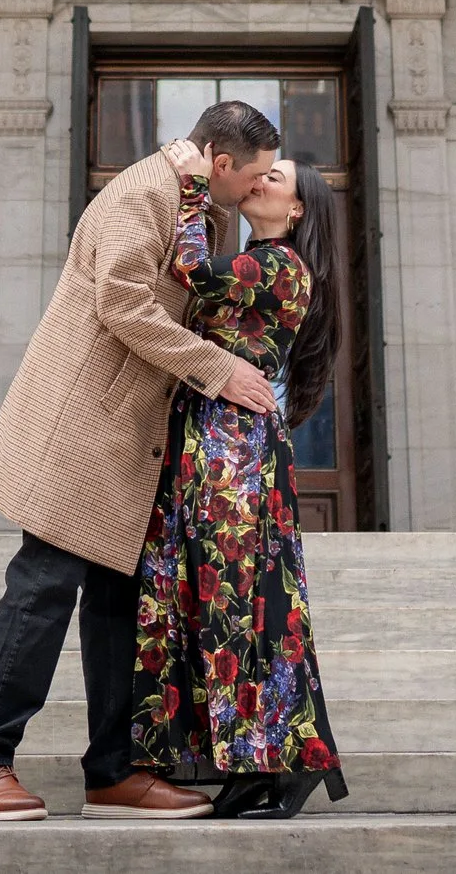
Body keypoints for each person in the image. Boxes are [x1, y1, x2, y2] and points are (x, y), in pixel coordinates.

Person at [0, 101, 286, 823]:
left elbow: (191, 284)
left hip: (129, 440)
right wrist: (218, 369)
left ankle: (113, 770)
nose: (254, 190)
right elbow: (125, 304)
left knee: (118, 606)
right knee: (41, 588)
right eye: (251, 177)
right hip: (83, 430)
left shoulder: (194, 199)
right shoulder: (142, 191)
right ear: (221, 162)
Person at [131, 139, 349, 819]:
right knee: (219, 596)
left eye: (274, 175)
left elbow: (191, 272)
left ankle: (278, 757)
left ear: (298, 205)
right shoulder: (264, 259)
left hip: (235, 451)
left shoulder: (281, 264)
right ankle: (251, 757)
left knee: (237, 598)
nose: (259, 180)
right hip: (216, 439)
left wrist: (193, 186)